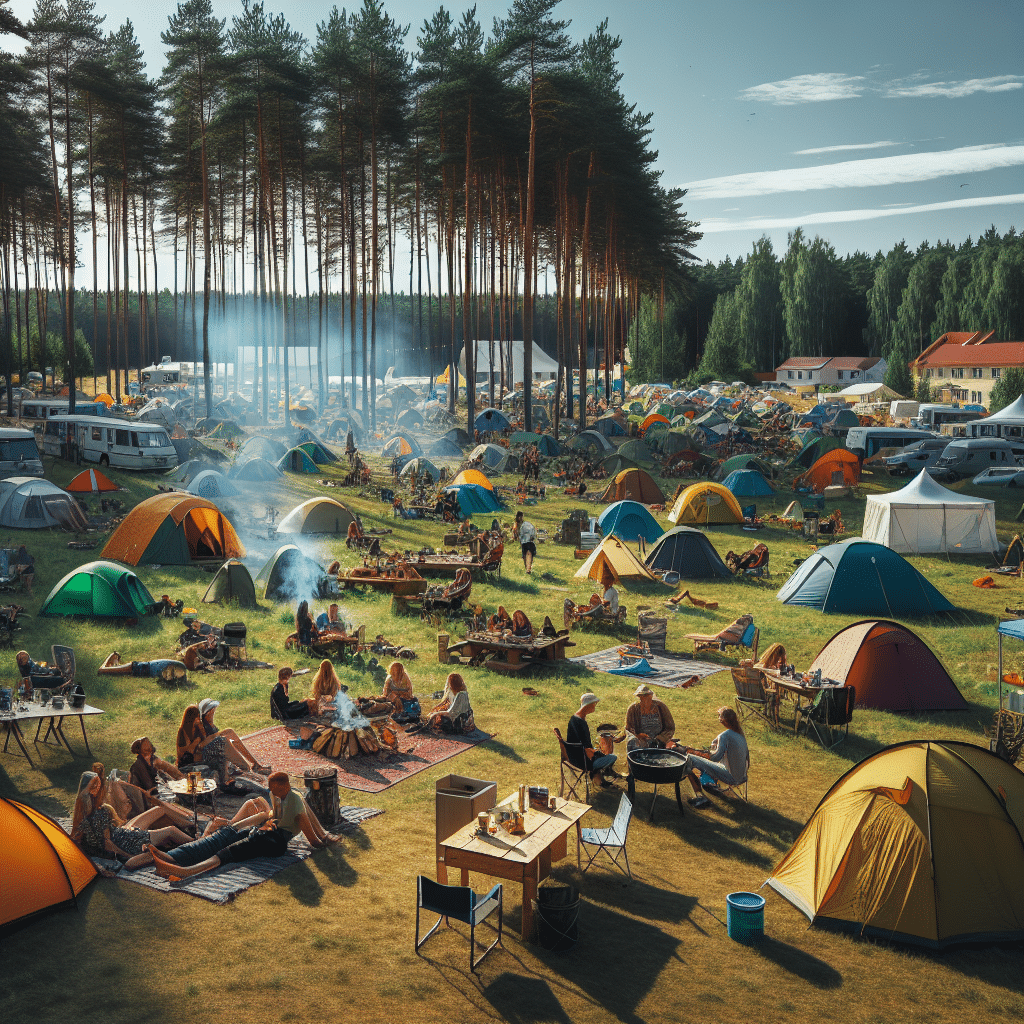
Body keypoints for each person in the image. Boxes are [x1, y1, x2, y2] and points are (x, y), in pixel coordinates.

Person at [148, 771, 339, 879]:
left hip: (274, 841)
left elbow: (310, 836)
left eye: (273, 789)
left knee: (232, 850)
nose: (269, 791)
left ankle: (185, 871)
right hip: (266, 833)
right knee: (231, 841)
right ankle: (181, 867)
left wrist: (323, 841)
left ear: (283, 787)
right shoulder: (281, 796)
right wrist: (266, 816)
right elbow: (277, 815)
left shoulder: (296, 802)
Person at [70, 771, 193, 870]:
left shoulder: (81, 813)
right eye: (94, 785)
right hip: (127, 842)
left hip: (121, 833)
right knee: (170, 831)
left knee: (159, 809)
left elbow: (77, 837)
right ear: (88, 789)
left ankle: (191, 823)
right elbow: (108, 844)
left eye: (98, 784)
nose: (98, 787)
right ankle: (197, 843)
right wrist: (127, 855)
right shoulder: (100, 812)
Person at [146, 797, 273, 868]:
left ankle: (157, 855)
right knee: (252, 804)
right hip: (222, 836)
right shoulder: (255, 828)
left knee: (254, 805)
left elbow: (262, 809)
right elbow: (260, 804)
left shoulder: (255, 830)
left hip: (220, 838)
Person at [189, 698, 270, 791]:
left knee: (229, 733)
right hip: (207, 756)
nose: (214, 712)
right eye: (213, 710)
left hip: (215, 751)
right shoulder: (202, 725)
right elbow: (201, 745)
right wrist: (218, 736)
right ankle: (246, 766)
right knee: (223, 740)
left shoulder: (210, 724)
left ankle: (254, 764)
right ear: (209, 712)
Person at [680, 707, 749, 808]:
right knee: (704, 765)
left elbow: (715, 758)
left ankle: (699, 796)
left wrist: (695, 752)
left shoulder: (725, 735)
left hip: (731, 777)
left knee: (690, 758)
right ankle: (709, 785)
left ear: (723, 720)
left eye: (719, 716)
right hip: (742, 777)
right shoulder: (740, 735)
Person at [566, 692, 618, 788]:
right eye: (594, 704)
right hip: (582, 761)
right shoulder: (582, 723)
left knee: (598, 753)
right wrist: (598, 753)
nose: (595, 706)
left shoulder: (574, 718)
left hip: (572, 756)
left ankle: (599, 779)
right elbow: (588, 752)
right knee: (612, 757)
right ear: (588, 705)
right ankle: (599, 779)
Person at [625, 685, 677, 752]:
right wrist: (638, 735)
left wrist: (660, 739)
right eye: (642, 696)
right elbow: (629, 728)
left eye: (647, 696)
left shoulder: (660, 707)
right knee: (634, 746)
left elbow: (670, 728)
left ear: (651, 695)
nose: (645, 699)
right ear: (639, 697)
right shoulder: (633, 709)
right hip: (641, 741)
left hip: (660, 741)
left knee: (674, 749)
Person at [98, 652, 189, 680]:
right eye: (173, 672)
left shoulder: (181, 669)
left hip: (139, 667)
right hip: (136, 667)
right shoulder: (179, 667)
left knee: (112, 669)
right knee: (102, 671)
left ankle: (115, 659)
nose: (170, 675)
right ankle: (113, 655)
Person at [515, 510, 537, 574]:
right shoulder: (518, 526)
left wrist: (532, 536)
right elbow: (519, 536)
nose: (519, 518)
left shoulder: (526, 524)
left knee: (528, 554)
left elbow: (532, 529)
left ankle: (528, 569)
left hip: (529, 541)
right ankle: (527, 570)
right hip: (524, 542)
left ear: (521, 517)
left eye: (520, 517)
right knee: (524, 555)